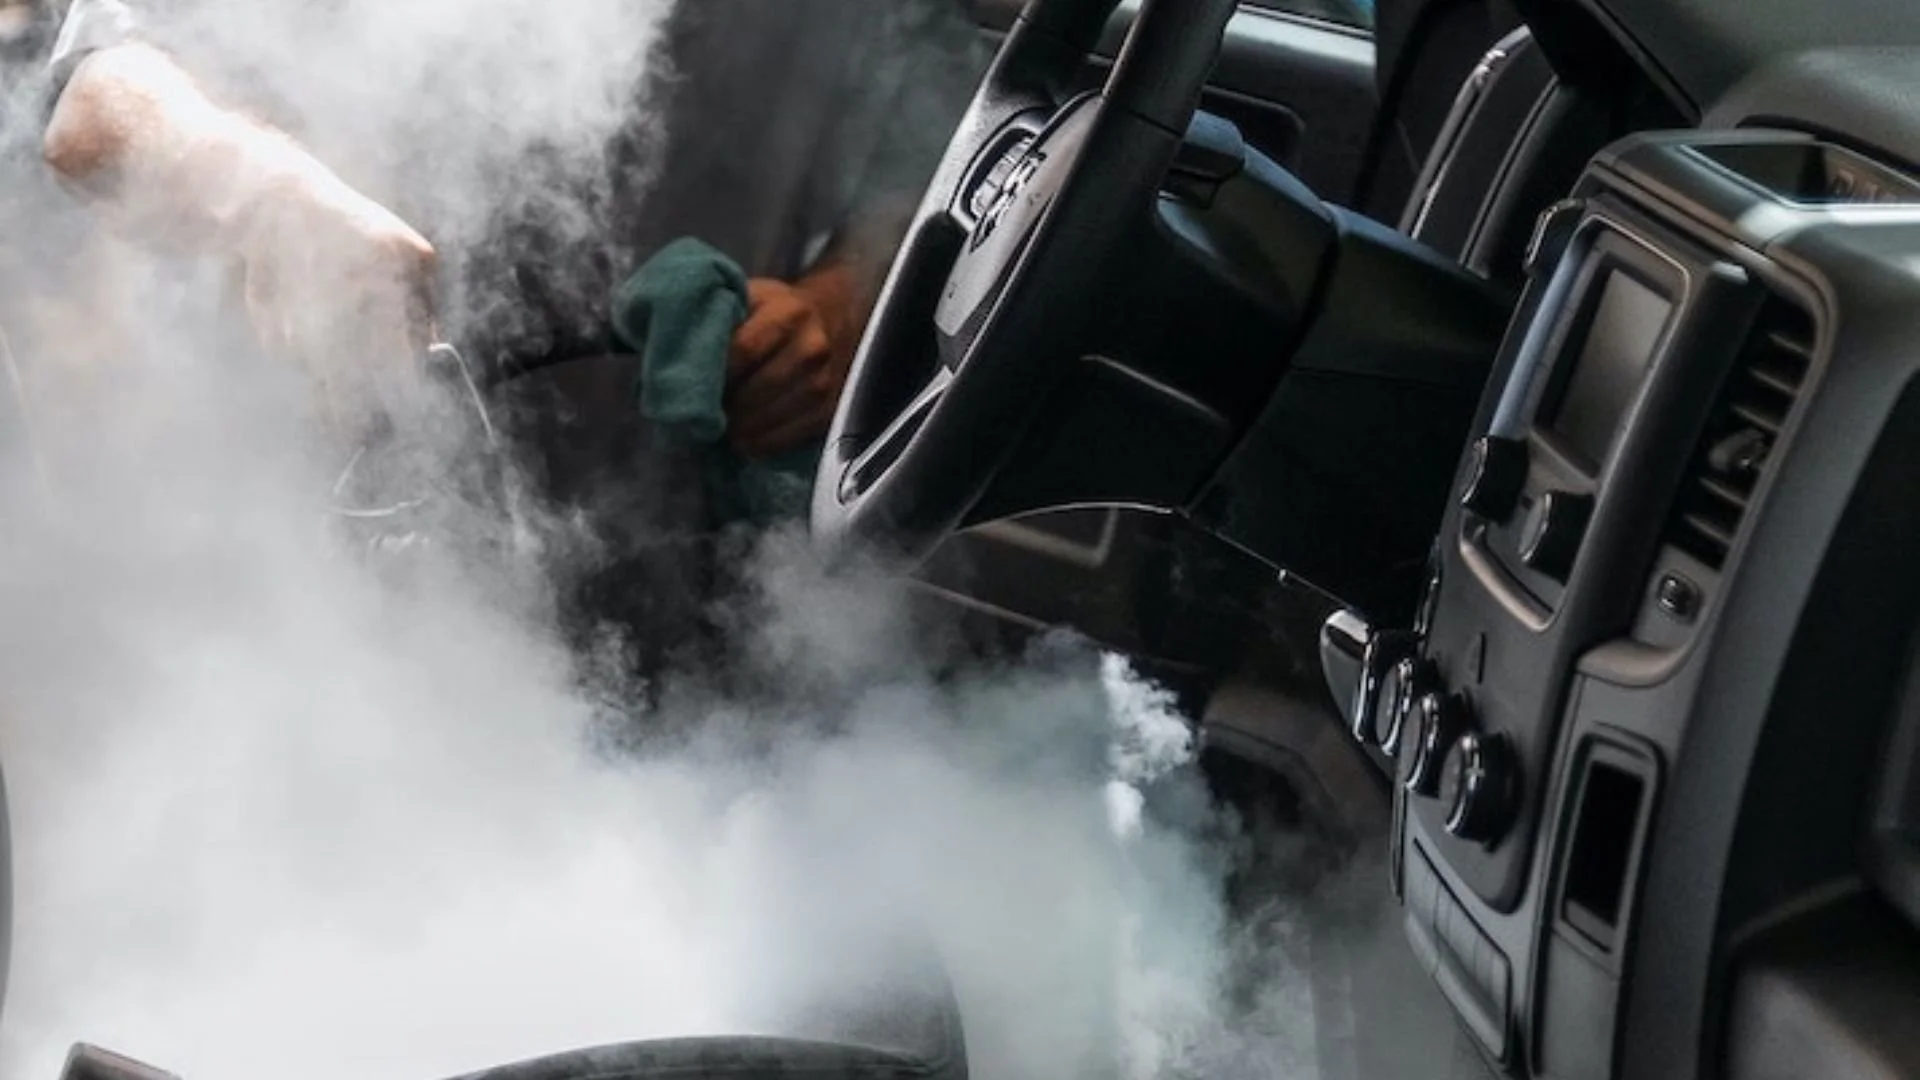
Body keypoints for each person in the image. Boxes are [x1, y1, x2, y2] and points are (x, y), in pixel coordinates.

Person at [34, 0, 982, 457]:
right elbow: (97, 101)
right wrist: (265, 198)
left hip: (660, 537)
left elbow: (932, 180)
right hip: (293, 528)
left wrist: (830, 309)